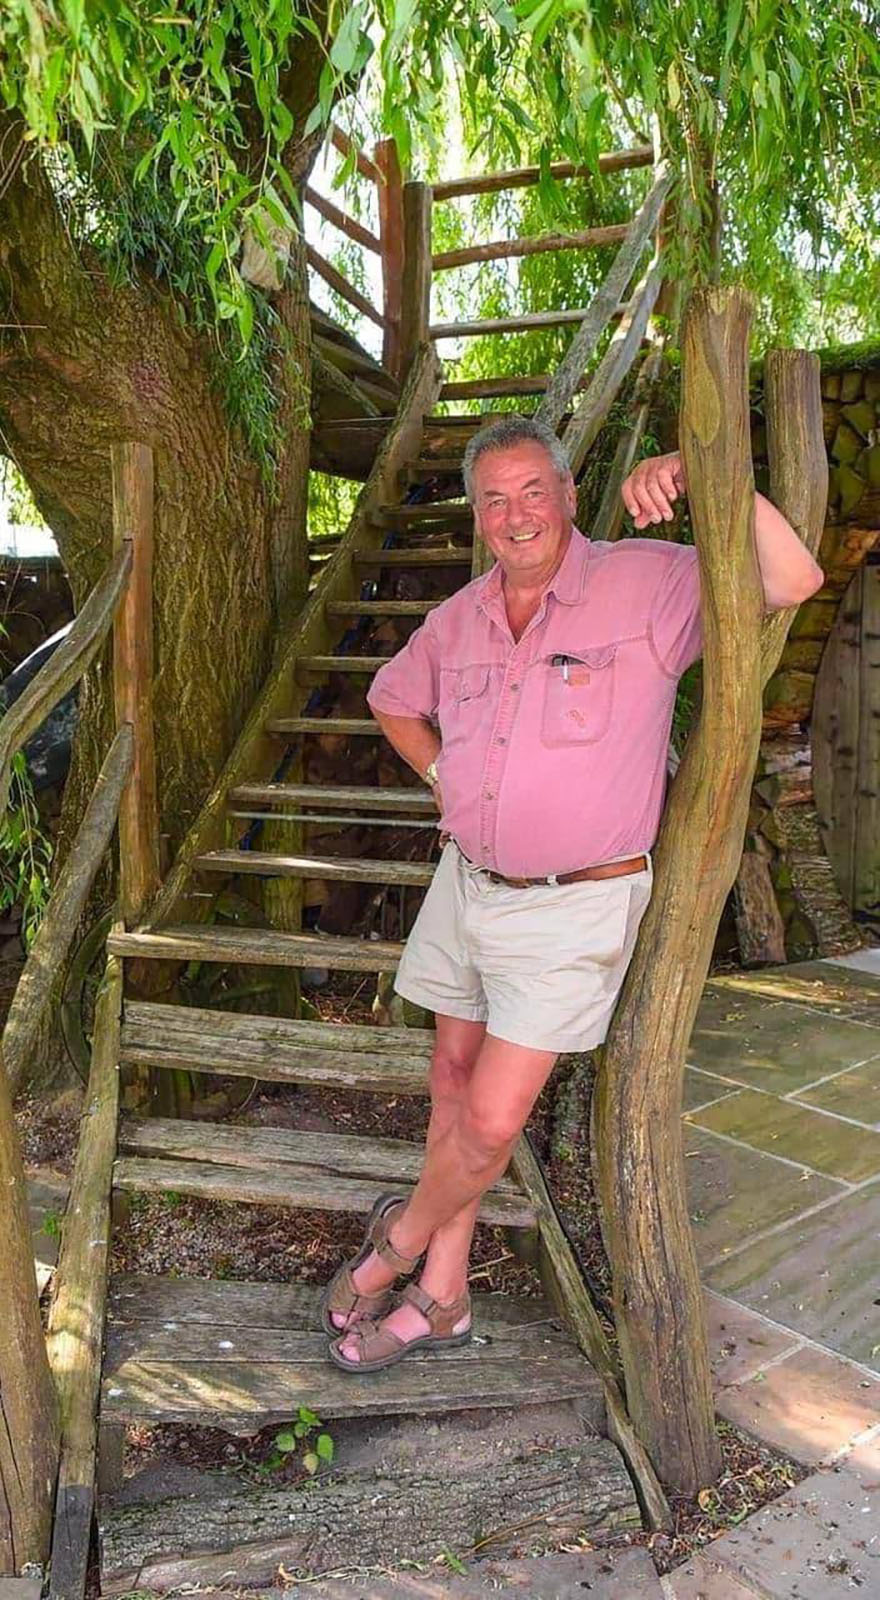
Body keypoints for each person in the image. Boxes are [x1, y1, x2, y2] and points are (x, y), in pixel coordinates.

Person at [322, 413, 823, 1373]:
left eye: (533, 492)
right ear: (479, 516)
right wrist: (447, 780)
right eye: (495, 500)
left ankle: (391, 1254)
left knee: (494, 1121)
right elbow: (391, 699)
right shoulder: (460, 616)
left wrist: (696, 465)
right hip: (466, 886)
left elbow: (792, 579)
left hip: (575, 906)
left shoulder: (646, 583)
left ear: (568, 494)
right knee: (450, 1093)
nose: (516, 517)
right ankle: (446, 1295)